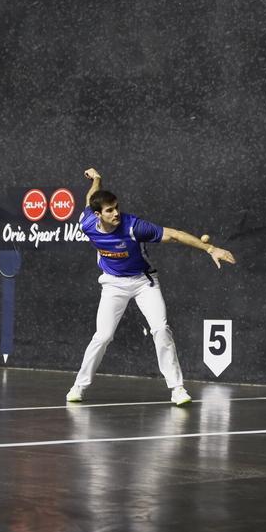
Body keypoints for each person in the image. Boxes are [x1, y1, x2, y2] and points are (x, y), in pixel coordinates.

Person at [66, 167, 237, 406]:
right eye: (109, 210)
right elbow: (89, 198)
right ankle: (79, 386)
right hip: (113, 284)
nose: (116, 213)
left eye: (117, 207)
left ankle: (177, 389)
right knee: (103, 336)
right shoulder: (87, 223)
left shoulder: (134, 227)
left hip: (144, 282)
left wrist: (210, 249)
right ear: (97, 215)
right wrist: (97, 179)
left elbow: (175, 235)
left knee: (161, 328)